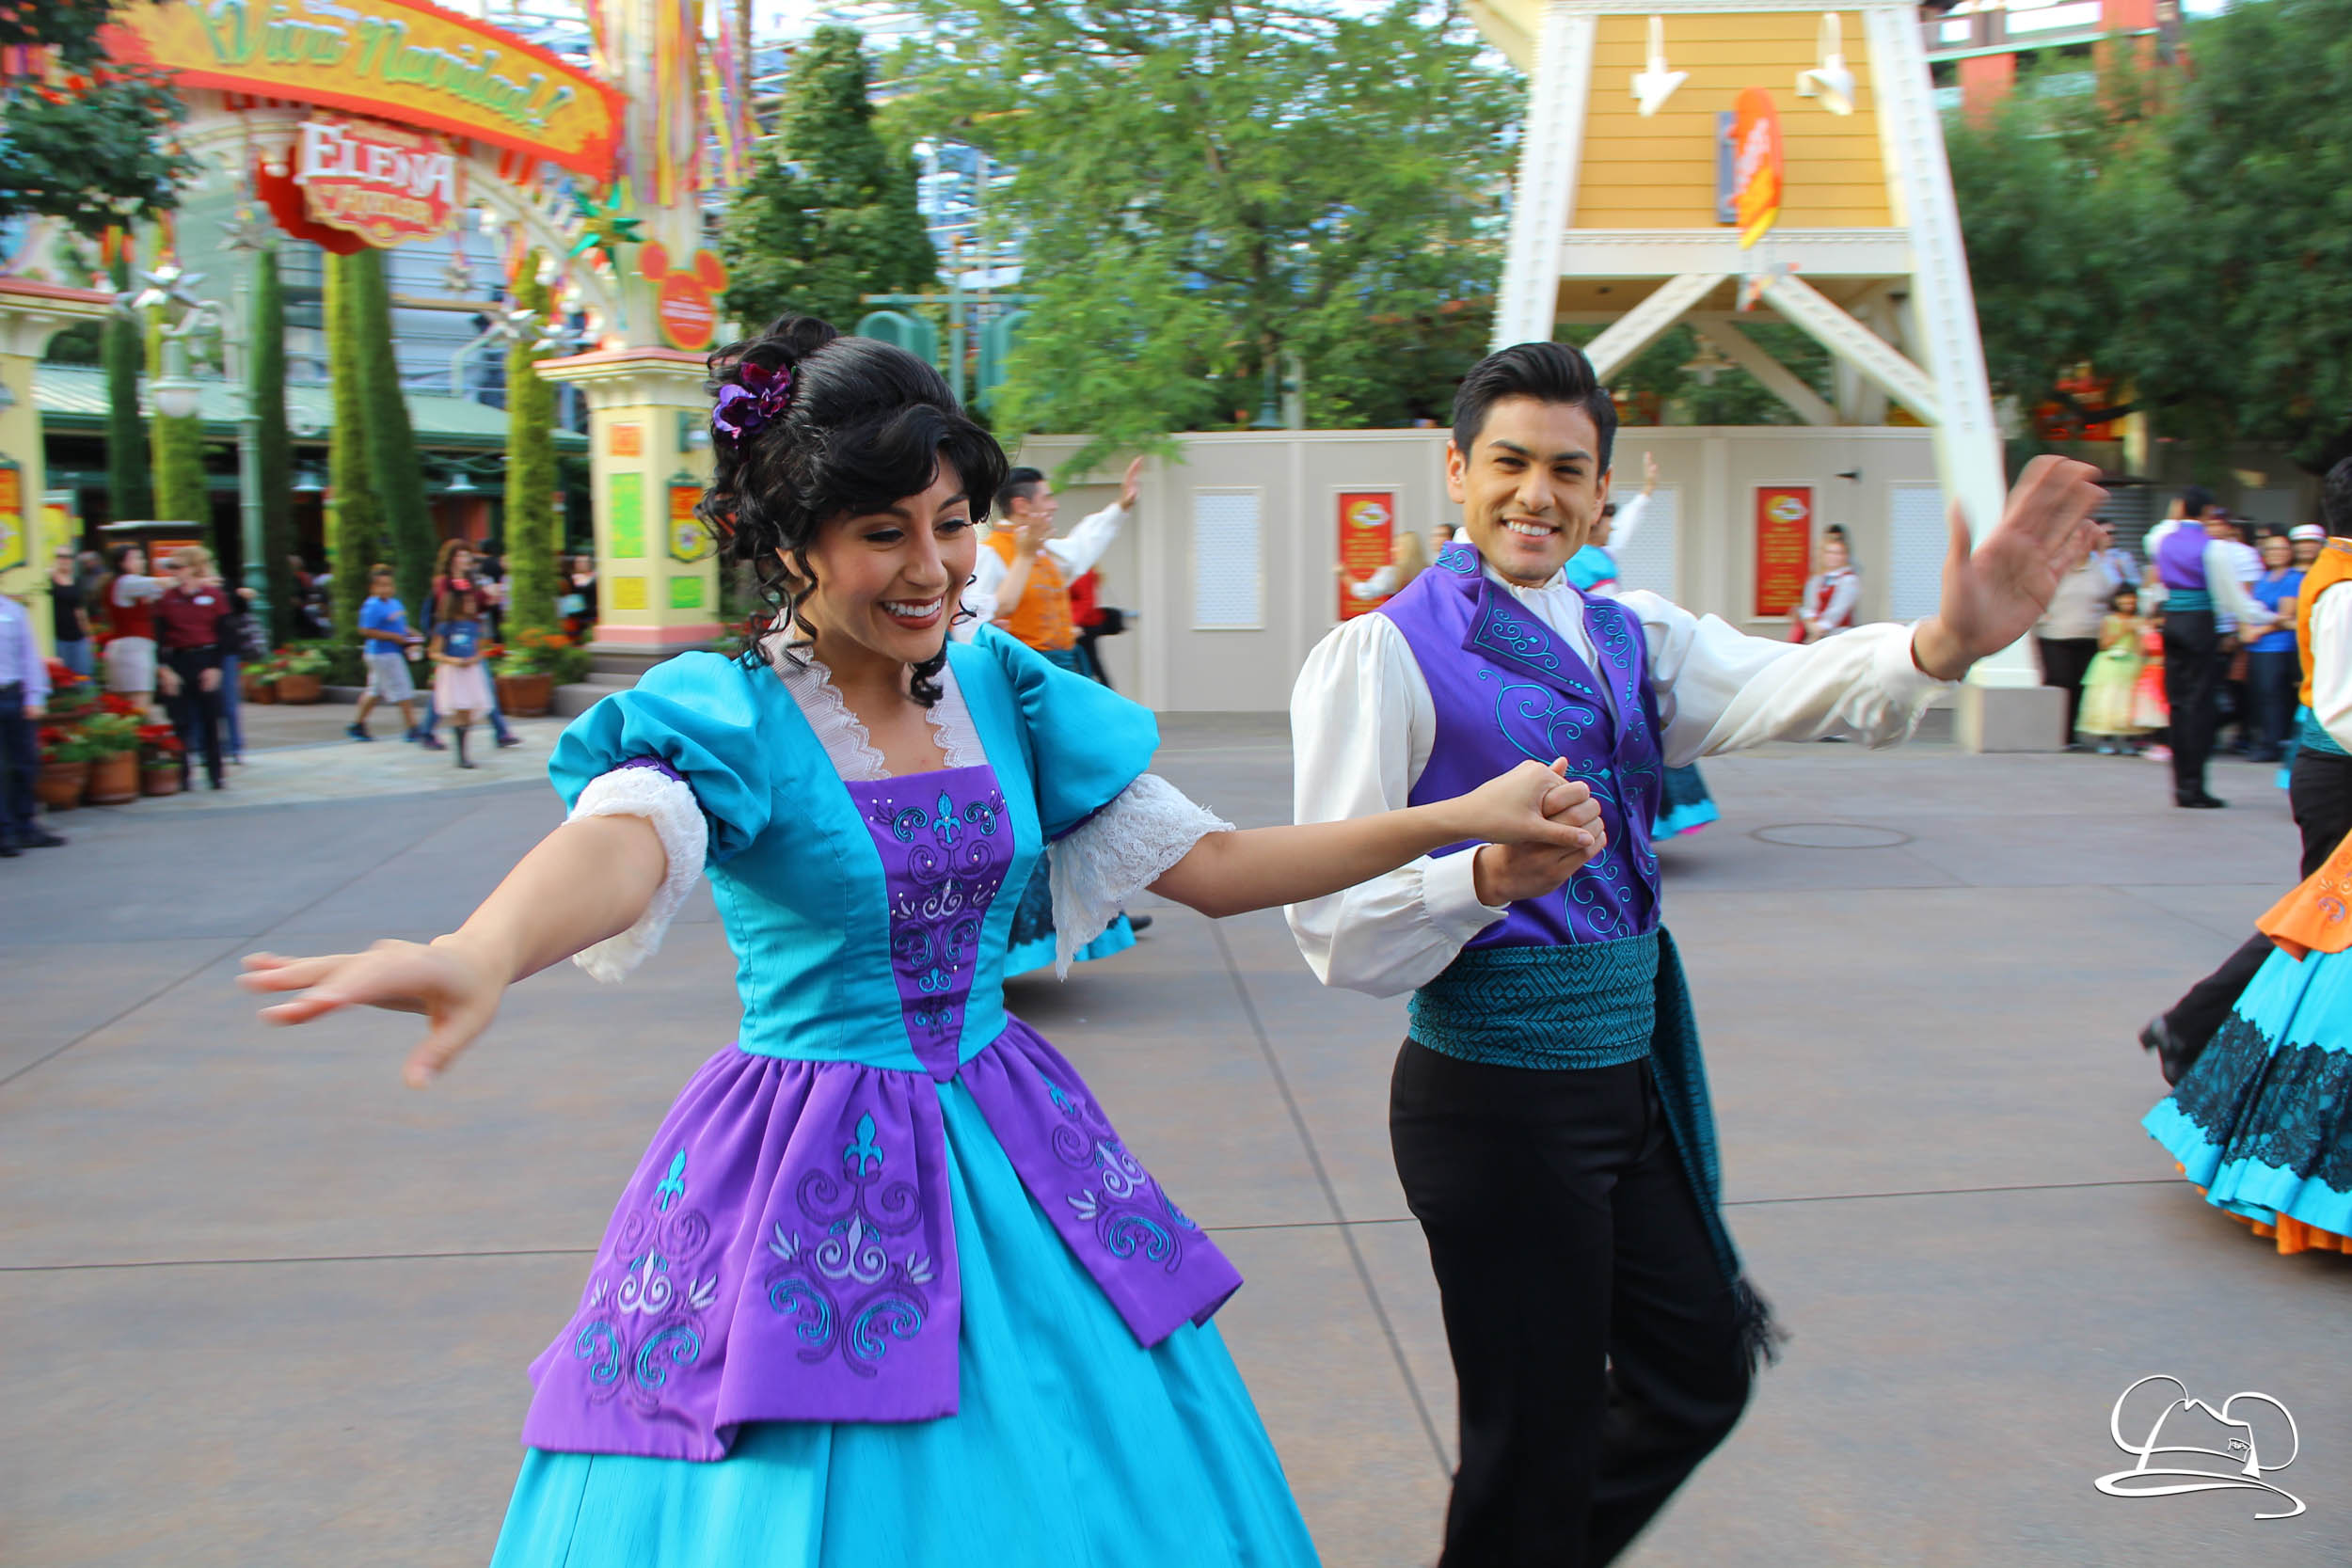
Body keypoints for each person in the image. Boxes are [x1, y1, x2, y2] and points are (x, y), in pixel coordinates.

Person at [237, 315, 1602, 1568]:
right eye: (881, 531)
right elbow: (626, 839)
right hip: (797, 1159)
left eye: (950, 523)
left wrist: (1457, 831)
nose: (933, 566)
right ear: (790, 542)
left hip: (1012, 1136)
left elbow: (1220, 866)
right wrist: (480, 949)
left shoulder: (1003, 683)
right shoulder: (730, 710)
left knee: (1079, 1468)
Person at [1286, 340, 2106, 1568]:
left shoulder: (1628, 635)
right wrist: (1479, 876)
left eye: (1568, 469)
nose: (1536, 494)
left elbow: (1785, 682)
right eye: (1508, 461)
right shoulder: (1386, 652)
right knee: (1533, 1439)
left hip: (1627, 1072)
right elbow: (1335, 924)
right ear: (1456, 471)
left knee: (1698, 1369)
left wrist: (1941, 643)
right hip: (1495, 1098)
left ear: (1601, 489)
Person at [2140, 506, 2352, 1251]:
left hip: (2333, 770)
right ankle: (2196, 1030)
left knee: (2314, 932)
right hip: (2342, 774)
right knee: (2315, 933)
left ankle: (2192, 1027)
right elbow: (2343, 710)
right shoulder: (2344, 589)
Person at [967, 457, 1153, 969]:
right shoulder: (992, 553)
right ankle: (1040, 929)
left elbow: (1082, 546)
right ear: (1021, 505)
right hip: (1023, 687)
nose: (1052, 507)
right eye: (1046, 499)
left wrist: (1120, 506)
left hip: (1059, 679)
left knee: (1079, 798)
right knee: (1050, 801)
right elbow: (986, 613)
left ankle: (1097, 915)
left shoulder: (1045, 552)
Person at [2144, 487, 2275, 808]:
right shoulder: (2213, 548)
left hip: (2172, 621)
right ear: (2208, 512)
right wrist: (2269, 617)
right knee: (2199, 706)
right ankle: (2194, 787)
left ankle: (2181, 786)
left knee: (2178, 704)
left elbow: (2161, 530)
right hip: (2199, 623)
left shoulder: (2161, 539)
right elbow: (2234, 599)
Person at [154, 546, 238, 792]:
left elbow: (226, 634)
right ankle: (183, 776)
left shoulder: (214, 596)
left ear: (192, 568)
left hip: (207, 659)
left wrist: (216, 668)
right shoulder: (166, 599)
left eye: (178, 567)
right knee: (180, 722)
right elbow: (159, 637)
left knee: (211, 719)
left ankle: (216, 774)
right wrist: (164, 669)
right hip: (178, 661)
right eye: (171, 567)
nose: (173, 572)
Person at [2035, 543, 2125, 747]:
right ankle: (2052, 732)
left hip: (2090, 636)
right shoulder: (2053, 567)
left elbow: (2119, 595)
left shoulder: (2103, 568)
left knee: (2080, 685)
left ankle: (2071, 735)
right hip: (2055, 634)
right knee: (2059, 682)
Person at [0, 587, 62, 855]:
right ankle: (5, 832)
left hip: (14, 695)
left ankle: (26, 825)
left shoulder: (14, 611)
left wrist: (35, 697)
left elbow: (29, 657)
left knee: (25, 763)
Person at [427, 544, 496, 770]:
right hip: (453, 671)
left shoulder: (474, 626)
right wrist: (453, 661)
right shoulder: (446, 626)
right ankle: (460, 753)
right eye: (467, 602)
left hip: (470, 671)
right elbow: (434, 651)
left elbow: (479, 648)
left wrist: (476, 658)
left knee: (468, 711)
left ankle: (465, 750)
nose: (472, 604)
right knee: (458, 709)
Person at [350, 564, 432, 746]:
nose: (386, 589)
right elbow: (365, 630)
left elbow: (399, 625)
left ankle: (357, 725)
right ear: (373, 587)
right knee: (402, 687)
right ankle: (412, 727)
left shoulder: (395, 603)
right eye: (382, 585)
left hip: (391, 652)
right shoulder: (372, 605)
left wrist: (412, 634)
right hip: (383, 654)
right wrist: (393, 637)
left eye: (389, 584)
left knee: (375, 691)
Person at [2245, 532, 2303, 764]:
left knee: (2273, 697)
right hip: (2257, 647)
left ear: (2290, 552)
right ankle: (2265, 740)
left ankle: (2273, 744)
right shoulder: (2263, 578)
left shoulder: (2293, 578)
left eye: (2282, 548)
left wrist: (2258, 631)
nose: (2276, 553)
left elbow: (2286, 615)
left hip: (2279, 646)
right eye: (2271, 549)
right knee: (2260, 696)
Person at [2077, 584, 2152, 755]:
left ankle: (2128, 739)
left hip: (2131, 664)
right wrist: (2124, 629)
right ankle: (2107, 739)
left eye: (2131, 598)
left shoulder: (2140, 621)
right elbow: (2104, 644)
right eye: (2124, 598)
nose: (2128, 602)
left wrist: (2140, 635)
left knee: (2128, 702)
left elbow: (2142, 648)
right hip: (2109, 665)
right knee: (2108, 700)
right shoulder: (2109, 620)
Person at [101, 543, 167, 711]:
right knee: (139, 705)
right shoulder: (127, 582)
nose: (142, 561)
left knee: (124, 708)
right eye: (136, 558)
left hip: (124, 648)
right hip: (133, 649)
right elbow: (161, 584)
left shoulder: (123, 584)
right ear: (122, 563)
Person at [1791, 525, 1860, 643]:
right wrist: (1811, 624)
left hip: (1837, 636)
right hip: (1813, 634)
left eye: (1838, 553)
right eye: (1829, 552)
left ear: (1845, 556)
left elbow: (1837, 611)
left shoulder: (1848, 579)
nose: (1833, 557)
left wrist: (1819, 630)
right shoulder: (1817, 578)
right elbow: (1809, 606)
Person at [1346, 529, 1433, 602]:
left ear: (1406, 549)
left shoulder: (1392, 573)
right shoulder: (1429, 571)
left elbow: (1365, 592)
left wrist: (1345, 575)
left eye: (1396, 546)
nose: (1392, 550)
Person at [47, 546, 93, 678]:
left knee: (83, 676)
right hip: (58, 637)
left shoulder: (77, 581)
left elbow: (80, 610)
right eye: (61, 556)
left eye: (68, 557)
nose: (65, 560)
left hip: (78, 637)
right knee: (64, 677)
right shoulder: (48, 580)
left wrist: (88, 633)